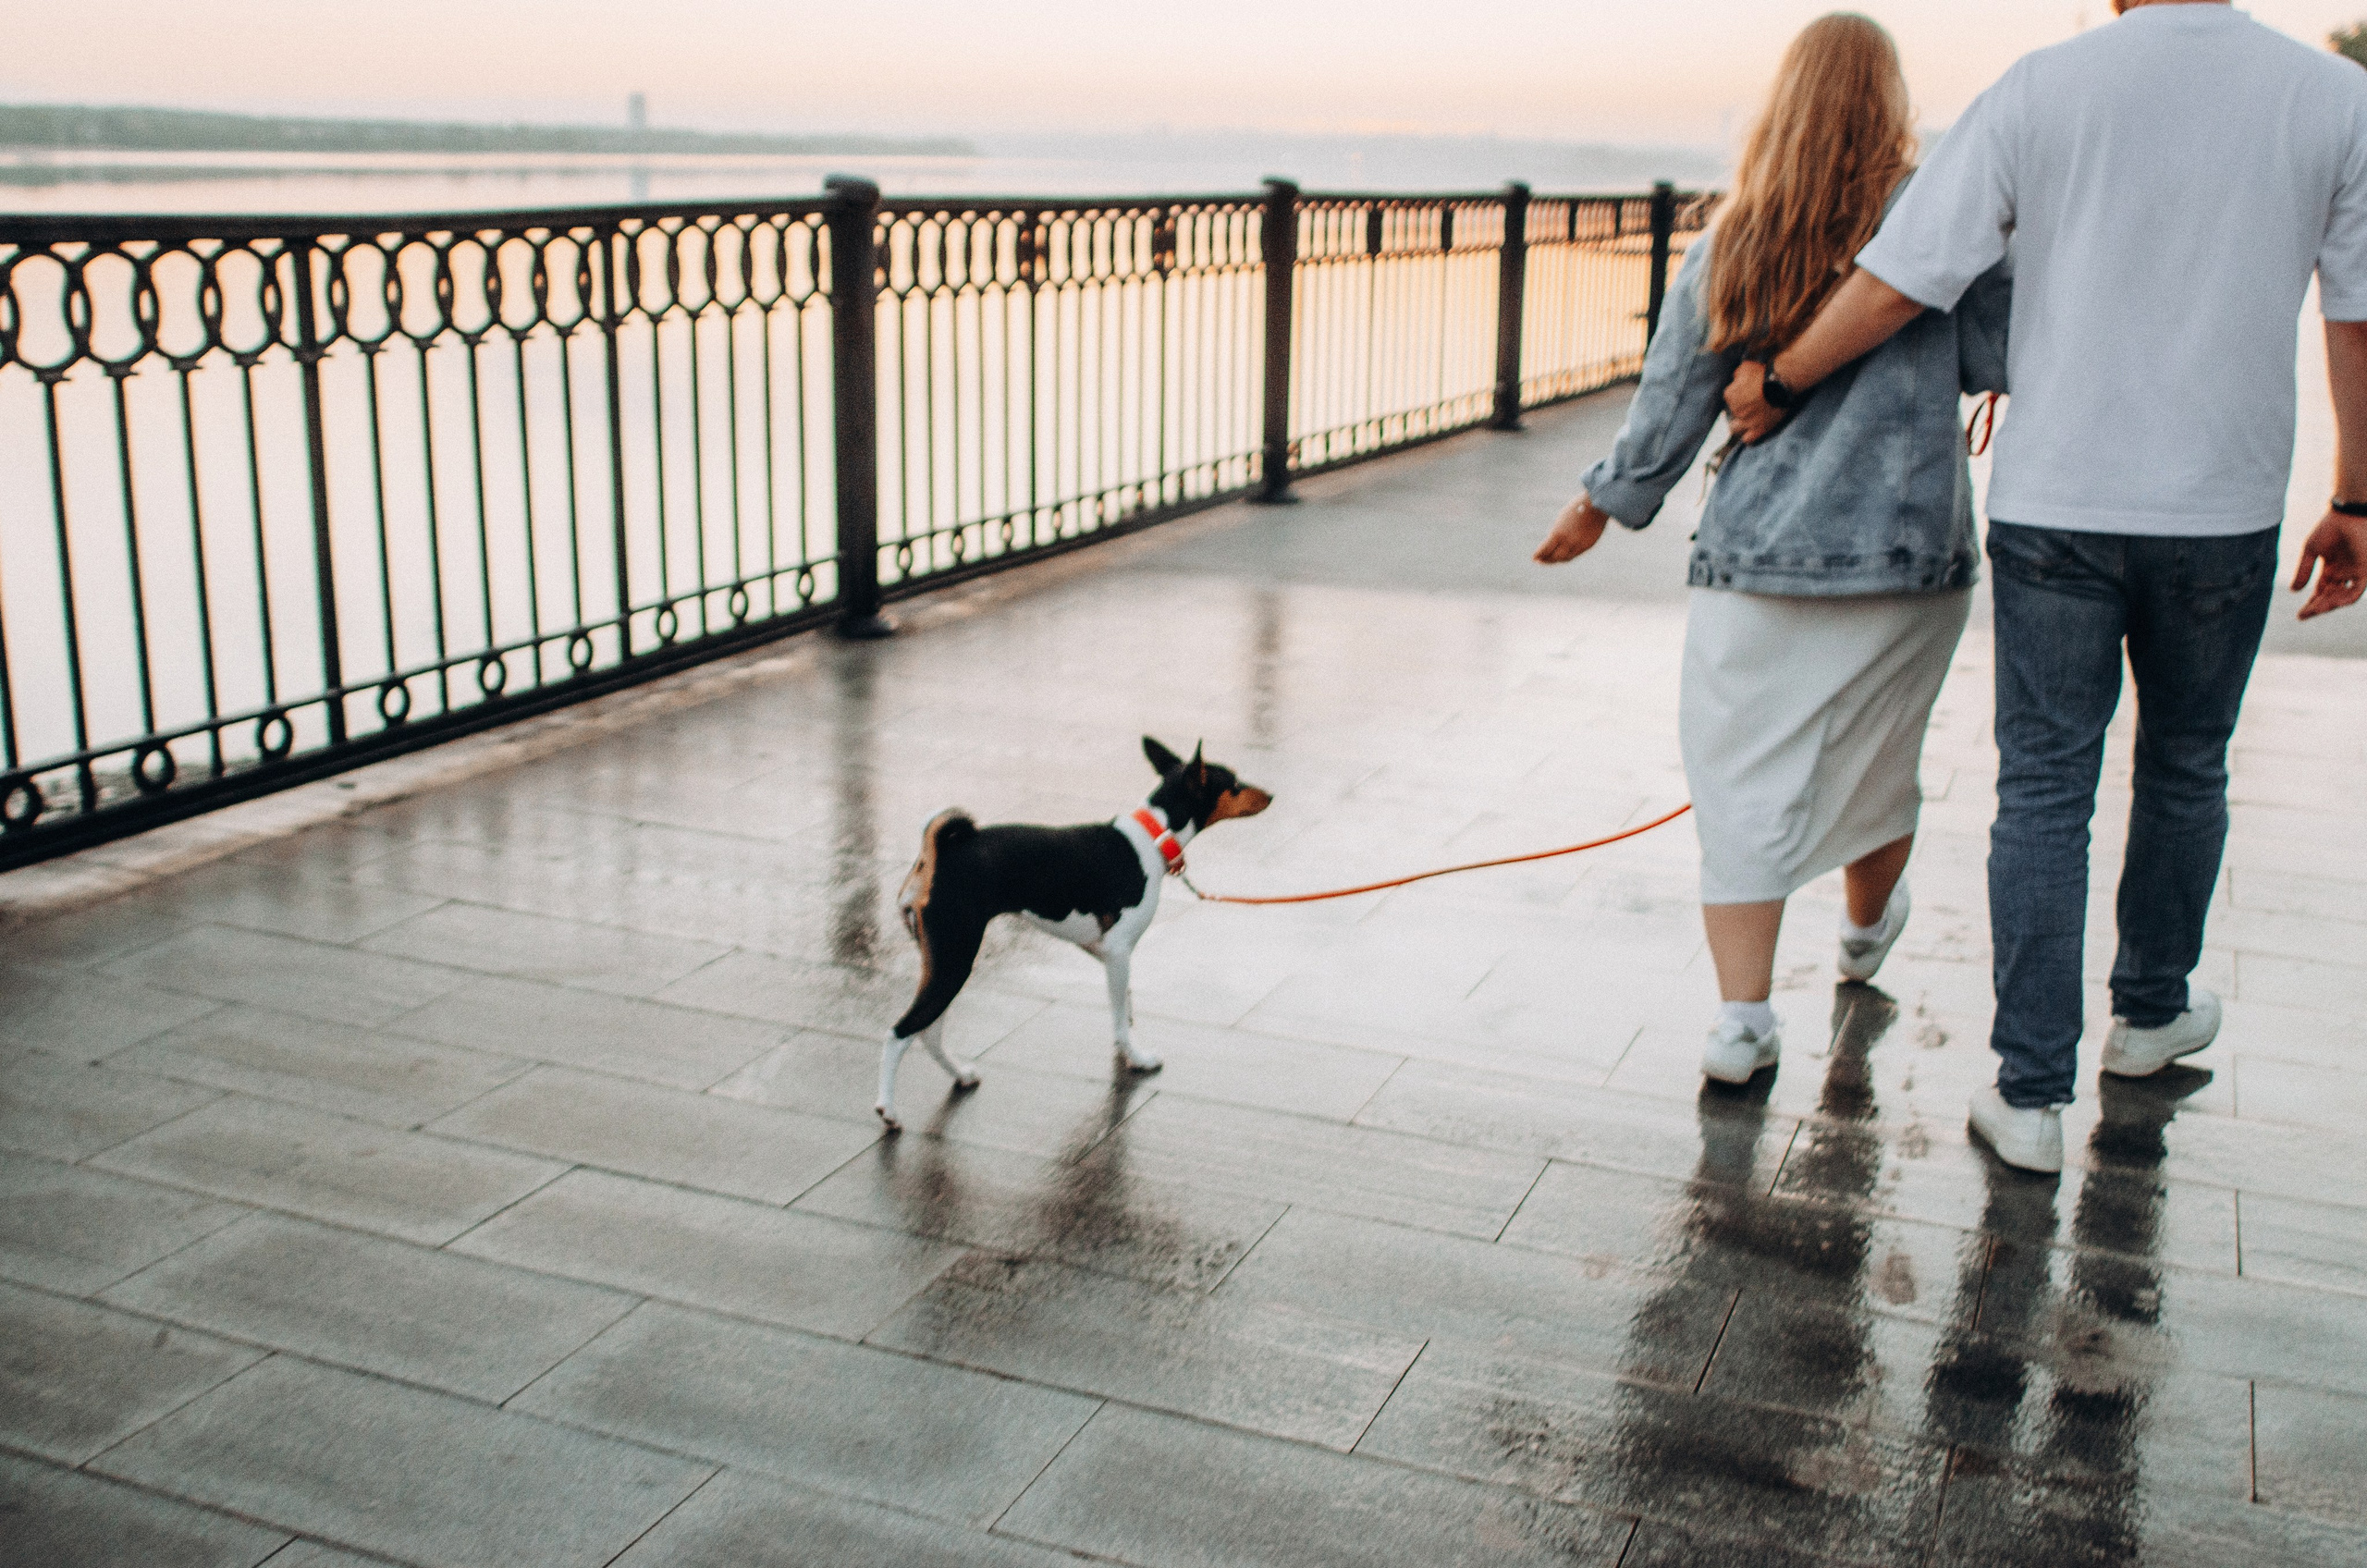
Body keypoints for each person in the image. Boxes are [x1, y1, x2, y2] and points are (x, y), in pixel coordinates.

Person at [1723, 0, 2367, 1173]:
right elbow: (2356, 314)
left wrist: (1782, 377)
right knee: (2185, 762)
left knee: (2044, 789)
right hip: (2219, 508)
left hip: (2055, 504)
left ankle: (2027, 1095)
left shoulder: (2040, 87)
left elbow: (1904, 276)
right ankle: (2150, 1014)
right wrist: (2357, 495)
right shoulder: (2330, 98)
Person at [1534, 12, 2009, 1088]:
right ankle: (1859, 936)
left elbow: (1671, 405)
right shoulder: (1937, 237)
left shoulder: (1733, 239)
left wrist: (1602, 505)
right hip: (1907, 561)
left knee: (1743, 785)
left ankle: (1741, 1021)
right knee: (1880, 764)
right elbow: (1996, 356)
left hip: (1761, 564)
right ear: (1891, 105)